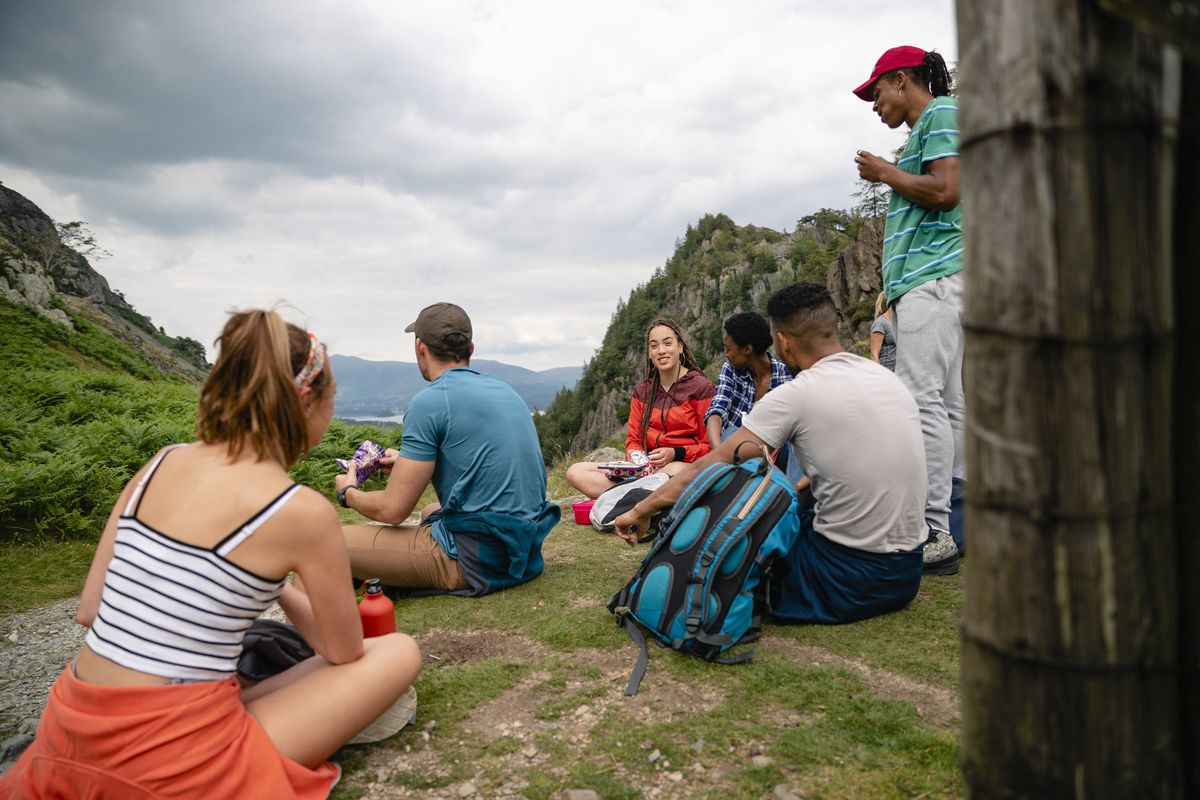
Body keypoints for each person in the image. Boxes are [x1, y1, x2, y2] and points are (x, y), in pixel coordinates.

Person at [0, 310, 421, 798]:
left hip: (70, 724)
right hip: (167, 758)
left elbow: (89, 609)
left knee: (232, 682)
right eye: (330, 400)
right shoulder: (299, 509)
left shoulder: (159, 462)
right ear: (305, 401)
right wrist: (279, 586)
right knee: (396, 651)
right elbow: (342, 651)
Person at [615, 282, 931, 623]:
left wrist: (641, 510)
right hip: (908, 571)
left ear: (782, 341)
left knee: (737, 559)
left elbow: (710, 466)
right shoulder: (886, 379)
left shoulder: (797, 393)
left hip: (848, 579)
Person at [336, 302, 560, 596]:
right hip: (523, 547)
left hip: (478, 559)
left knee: (323, 541)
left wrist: (348, 493)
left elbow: (392, 511)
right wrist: (406, 461)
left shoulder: (430, 402)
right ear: (471, 347)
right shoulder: (505, 391)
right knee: (431, 509)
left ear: (420, 347)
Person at [853, 45, 965, 573]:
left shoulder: (941, 112)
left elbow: (945, 191)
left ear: (901, 81)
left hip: (933, 282)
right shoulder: (926, 131)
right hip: (938, 283)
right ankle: (957, 523)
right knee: (949, 403)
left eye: (876, 92)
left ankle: (934, 530)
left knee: (922, 402)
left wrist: (884, 173)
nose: (874, 105)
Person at [566, 318, 715, 499]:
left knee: (672, 470)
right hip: (647, 470)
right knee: (575, 472)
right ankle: (642, 496)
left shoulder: (701, 387)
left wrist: (675, 452)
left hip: (682, 466)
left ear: (680, 347)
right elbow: (634, 440)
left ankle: (630, 497)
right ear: (649, 353)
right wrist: (637, 459)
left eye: (667, 343)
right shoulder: (643, 391)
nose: (661, 351)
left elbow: (709, 446)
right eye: (654, 346)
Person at [704, 311, 793, 447]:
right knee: (733, 433)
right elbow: (717, 410)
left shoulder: (786, 376)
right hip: (734, 448)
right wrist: (718, 451)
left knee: (795, 438)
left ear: (747, 349)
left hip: (775, 450)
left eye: (728, 349)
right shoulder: (731, 369)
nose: (725, 354)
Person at [869, 291, 897, 371]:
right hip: (887, 371)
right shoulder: (880, 323)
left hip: (899, 372)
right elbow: (874, 354)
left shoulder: (897, 322)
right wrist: (879, 375)